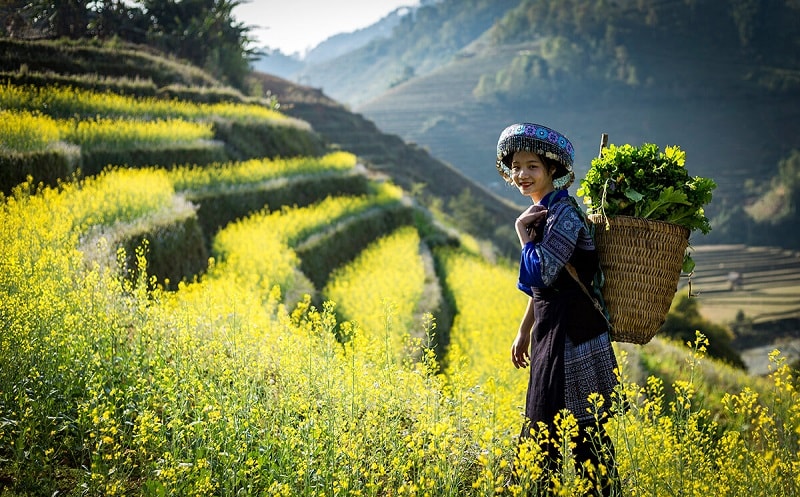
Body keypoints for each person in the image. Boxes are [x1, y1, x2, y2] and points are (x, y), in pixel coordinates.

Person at [496, 123, 620, 494]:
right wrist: (523, 331)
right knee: (542, 425)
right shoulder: (540, 214)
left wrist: (522, 237)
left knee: (584, 434)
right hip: (551, 332)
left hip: (576, 335)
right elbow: (539, 290)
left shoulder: (563, 214)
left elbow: (545, 271)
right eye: (516, 166)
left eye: (532, 166)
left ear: (552, 171)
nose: (522, 175)